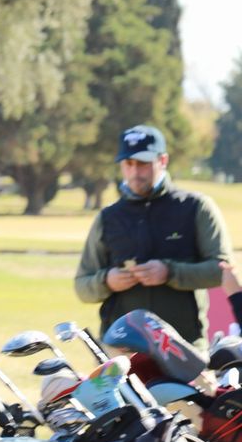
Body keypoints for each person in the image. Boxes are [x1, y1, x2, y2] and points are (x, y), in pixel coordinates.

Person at [76, 125, 232, 347]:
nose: (134, 172)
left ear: (163, 160)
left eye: (143, 163)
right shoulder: (107, 217)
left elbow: (222, 271)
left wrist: (170, 272)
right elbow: (82, 285)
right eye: (128, 164)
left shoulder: (196, 207)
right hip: (121, 350)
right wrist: (106, 281)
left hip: (184, 346)